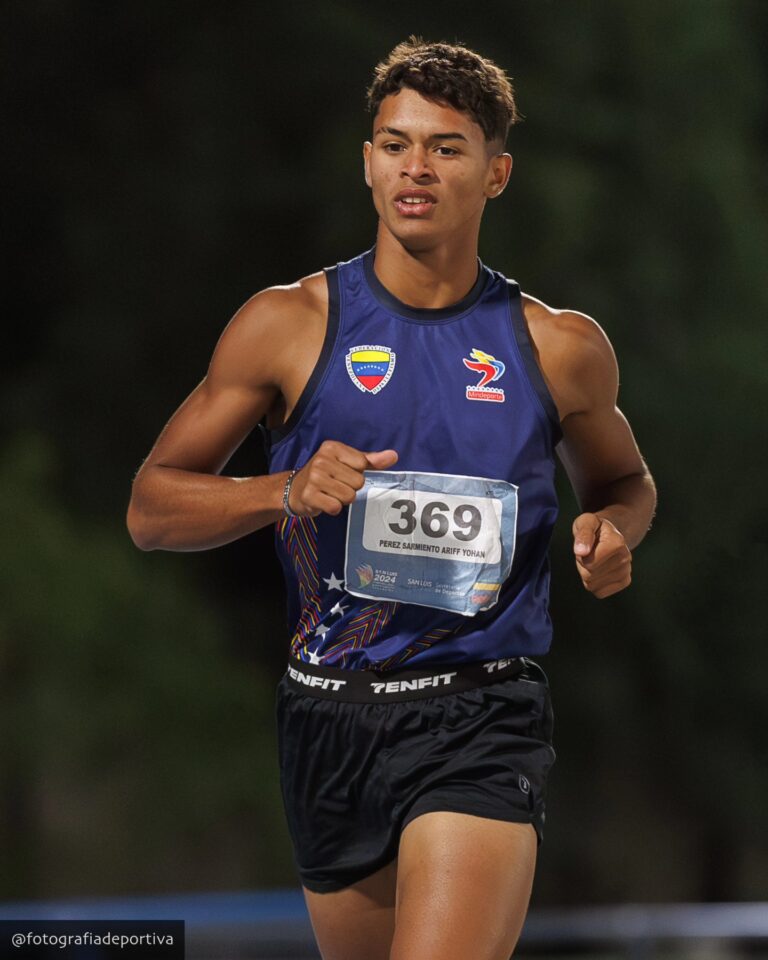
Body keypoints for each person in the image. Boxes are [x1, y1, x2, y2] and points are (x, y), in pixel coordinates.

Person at [127, 37, 656, 960]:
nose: (416, 167)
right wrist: (283, 489)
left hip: (479, 716)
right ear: (367, 161)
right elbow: (151, 510)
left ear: (496, 174)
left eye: (447, 147)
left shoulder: (559, 346)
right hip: (326, 717)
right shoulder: (286, 326)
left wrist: (611, 529)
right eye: (394, 142)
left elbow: (624, 482)